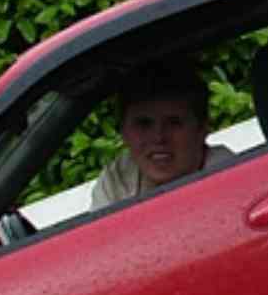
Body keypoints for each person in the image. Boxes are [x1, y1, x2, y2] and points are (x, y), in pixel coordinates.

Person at [88, 66, 238, 208]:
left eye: (174, 123)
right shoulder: (117, 179)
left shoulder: (228, 175)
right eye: (144, 124)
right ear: (124, 132)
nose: (158, 137)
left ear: (202, 129)